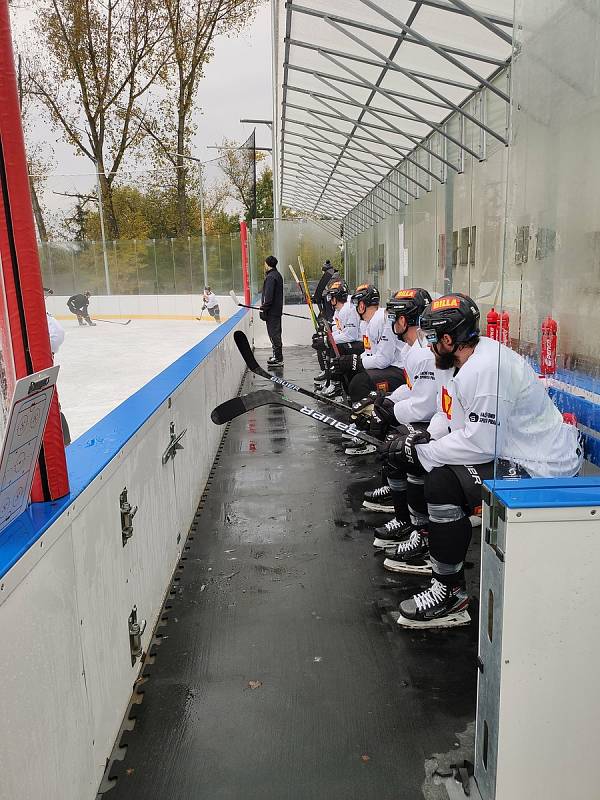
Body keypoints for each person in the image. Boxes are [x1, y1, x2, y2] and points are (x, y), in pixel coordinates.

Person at [380, 293, 583, 629]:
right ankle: (433, 545)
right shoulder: (464, 361)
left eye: (432, 339)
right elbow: (453, 419)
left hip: (541, 466)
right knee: (428, 464)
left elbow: (482, 444)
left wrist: (424, 452)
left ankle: (450, 593)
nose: (428, 346)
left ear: (448, 339)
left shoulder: (488, 369)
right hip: (511, 451)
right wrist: (422, 440)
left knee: (442, 481)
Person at [331, 283, 407, 455]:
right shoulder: (368, 323)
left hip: (400, 371)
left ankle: (369, 435)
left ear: (362, 305)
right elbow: (369, 354)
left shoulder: (383, 321)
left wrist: (357, 362)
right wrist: (353, 362)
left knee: (361, 381)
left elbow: (383, 360)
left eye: (357, 304)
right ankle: (359, 418)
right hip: (390, 367)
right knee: (350, 370)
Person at [312, 279, 362, 399]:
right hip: (353, 339)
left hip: (361, 342)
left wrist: (328, 340)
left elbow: (351, 335)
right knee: (329, 345)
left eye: (331, 297)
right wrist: (326, 334)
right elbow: (337, 329)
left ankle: (336, 385)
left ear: (336, 297)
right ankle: (329, 379)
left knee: (337, 347)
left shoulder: (349, 309)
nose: (329, 300)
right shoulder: (339, 309)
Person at [260, 255, 284, 367]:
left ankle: (278, 358)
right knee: (276, 333)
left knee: (274, 334)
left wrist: (263, 308)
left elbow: (268, 296)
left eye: (265, 263)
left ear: (267, 264)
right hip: (276, 310)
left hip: (272, 311)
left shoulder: (271, 277)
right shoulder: (277, 275)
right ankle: (277, 355)